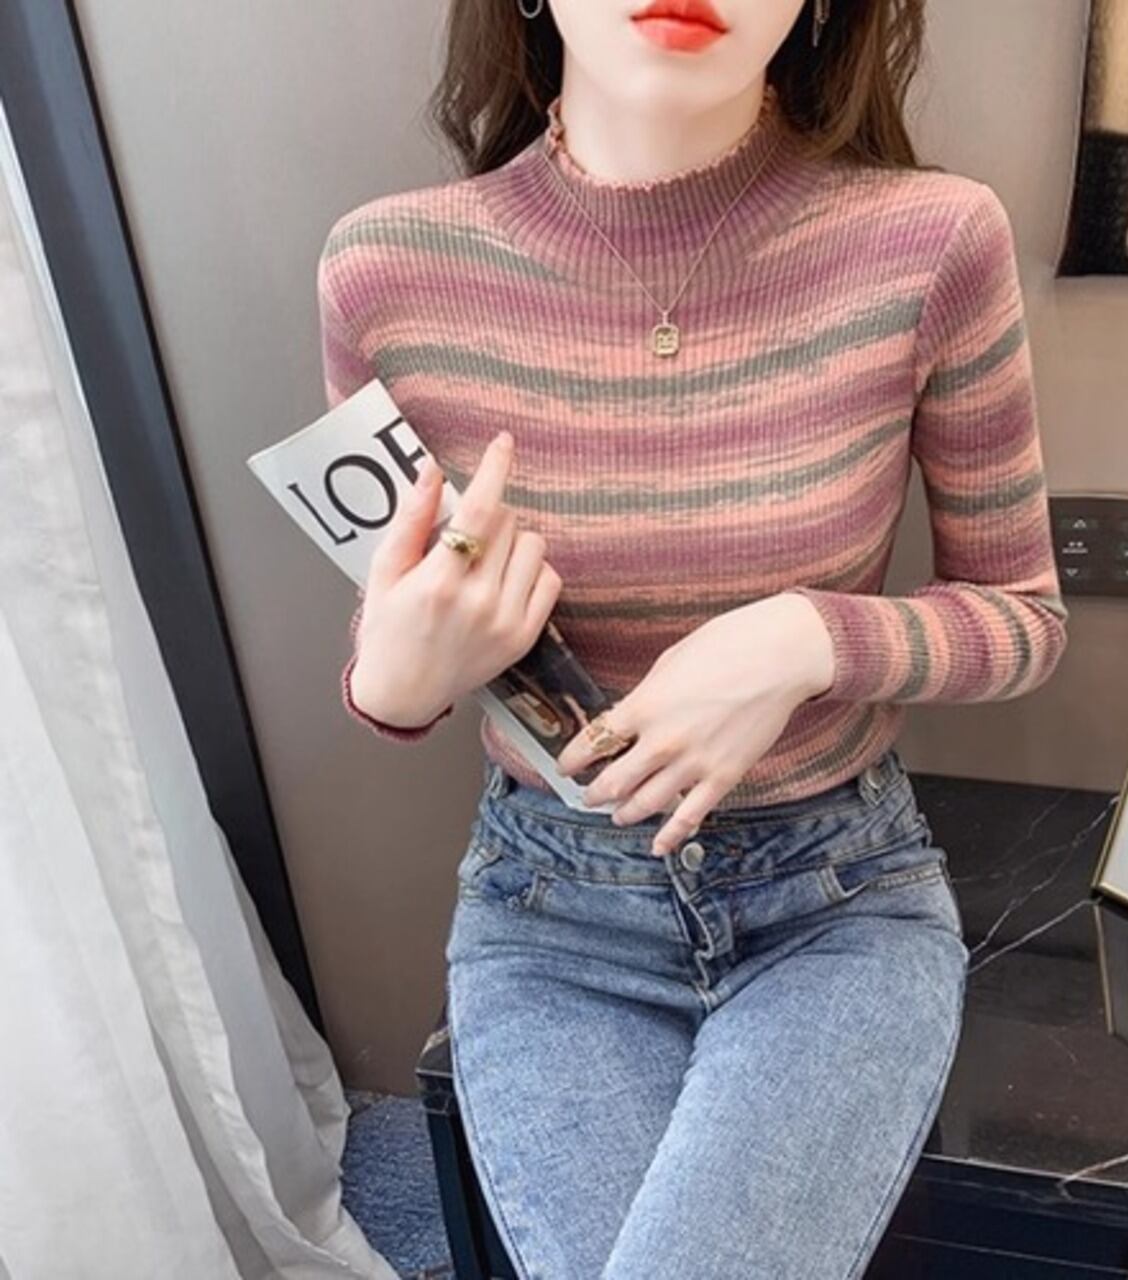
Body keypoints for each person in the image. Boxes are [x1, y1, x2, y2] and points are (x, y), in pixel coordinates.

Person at [318, 0, 1069, 1274]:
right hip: (551, 913)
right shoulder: (383, 274)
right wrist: (390, 678)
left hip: (834, 901)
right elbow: (398, 634)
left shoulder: (932, 240)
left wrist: (801, 639)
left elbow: (1022, 616)